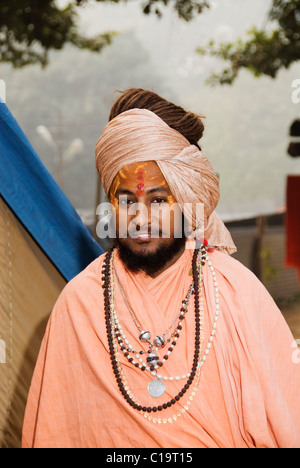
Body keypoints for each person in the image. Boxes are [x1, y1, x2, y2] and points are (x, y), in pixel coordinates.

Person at [22, 88, 300, 448]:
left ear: (186, 199)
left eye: (157, 200)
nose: (140, 218)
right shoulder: (80, 303)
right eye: (126, 200)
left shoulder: (235, 292)